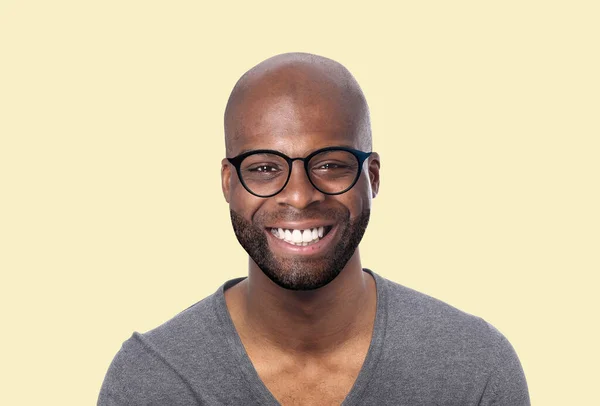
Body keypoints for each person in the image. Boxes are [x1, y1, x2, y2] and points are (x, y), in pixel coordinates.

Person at [98, 52, 530, 405]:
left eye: (329, 164)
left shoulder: (473, 367)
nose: (301, 196)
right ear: (229, 183)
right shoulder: (155, 379)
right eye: (265, 168)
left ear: (373, 176)